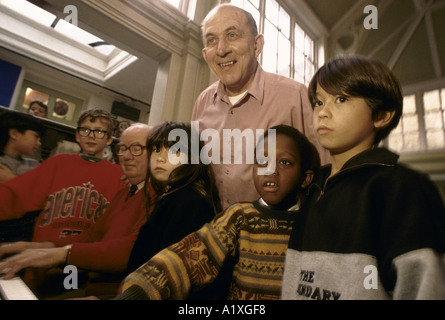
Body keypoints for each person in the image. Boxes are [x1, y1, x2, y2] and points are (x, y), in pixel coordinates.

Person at [281, 55, 445, 300]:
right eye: (318, 102)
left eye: (341, 99)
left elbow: (425, 288)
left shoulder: (403, 188)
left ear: (381, 116)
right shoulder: (312, 186)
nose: (322, 113)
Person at [115, 125, 320, 300]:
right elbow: (187, 258)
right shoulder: (239, 218)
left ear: (305, 178)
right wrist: (139, 292)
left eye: (284, 162)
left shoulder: (315, 226)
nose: (270, 170)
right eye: (262, 161)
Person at [192, 4, 329, 210]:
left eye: (232, 35)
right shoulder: (202, 103)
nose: (221, 50)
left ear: (257, 45)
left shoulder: (296, 97)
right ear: (205, 54)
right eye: (212, 40)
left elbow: (324, 174)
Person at [0, 123, 153, 298]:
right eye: (123, 148)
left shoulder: (157, 195)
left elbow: (131, 251)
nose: (126, 156)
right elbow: (93, 236)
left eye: (136, 149)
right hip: (88, 282)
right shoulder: (125, 192)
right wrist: (44, 246)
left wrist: (63, 254)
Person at [0, 108, 124, 245]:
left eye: (99, 131)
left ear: (109, 140)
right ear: (77, 136)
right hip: (41, 255)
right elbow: (15, 195)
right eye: (85, 130)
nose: (91, 135)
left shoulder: (119, 175)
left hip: (85, 258)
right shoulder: (58, 163)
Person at [126, 121, 221, 274]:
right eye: (156, 149)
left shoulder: (190, 203)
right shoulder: (172, 196)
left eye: (174, 150)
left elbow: (167, 273)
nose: (160, 158)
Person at [0, 111, 45, 182]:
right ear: (14, 134)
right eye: (36, 136)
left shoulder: (34, 165)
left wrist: (11, 179)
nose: (39, 143)